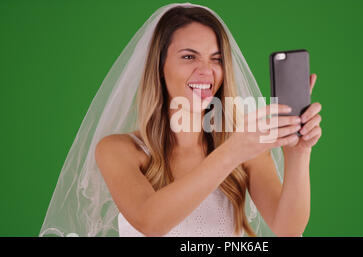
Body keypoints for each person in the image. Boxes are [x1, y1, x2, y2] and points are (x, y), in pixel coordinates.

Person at [39, 2, 322, 237]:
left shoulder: (245, 150)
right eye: (189, 57)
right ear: (159, 67)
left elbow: (288, 230)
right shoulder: (119, 150)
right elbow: (151, 222)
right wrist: (234, 150)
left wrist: (298, 155)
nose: (206, 71)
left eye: (216, 59)